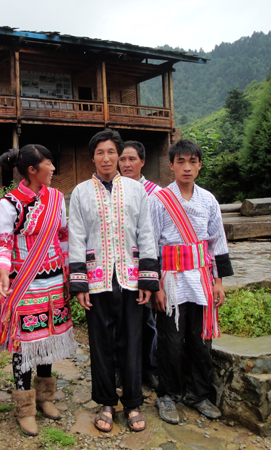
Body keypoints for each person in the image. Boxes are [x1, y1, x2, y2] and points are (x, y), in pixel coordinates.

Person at [68, 129, 159, 433]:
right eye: (100, 153)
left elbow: (146, 233)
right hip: (97, 280)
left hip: (131, 278)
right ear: (92, 158)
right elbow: (77, 237)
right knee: (100, 343)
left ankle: (133, 402)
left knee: (133, 340)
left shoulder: (136, 190)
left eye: (111, 153)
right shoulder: (81, 192)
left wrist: (148, 279)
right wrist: (79, 283)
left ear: (119, 157)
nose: (106, 158)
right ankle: (106, 402)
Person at [149, 139, 233, 425]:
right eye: (181, 162)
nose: (187, 167)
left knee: (201, 341)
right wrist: (156, 286)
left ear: (199, 166)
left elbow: (217, 241)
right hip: (171, 282)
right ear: (171, 165)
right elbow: (150, 244)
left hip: (202, 280)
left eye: (192, 162)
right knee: (170, 343)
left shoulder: (208, 200)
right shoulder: (159, 200)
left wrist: (218, 282)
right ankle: (168, 394)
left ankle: (198, 394)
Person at [0, 145, 76, 436]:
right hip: (24, 281)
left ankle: (45, 397)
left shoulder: (56, 198)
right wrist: (2, 271)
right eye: (48, 164)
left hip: (53, 280)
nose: (53, 169)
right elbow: (4, 244)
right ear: (32, 170)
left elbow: (63, 236)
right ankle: (25, 407)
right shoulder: (10, 203)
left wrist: (69, 273)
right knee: (26, 343)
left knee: (47, 339)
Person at [118, 140, 161, 390]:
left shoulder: (156, 194)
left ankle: (149, 368)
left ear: (142, 162)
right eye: (122, 159)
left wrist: (154, 273)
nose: (126, 164)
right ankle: (120, 370)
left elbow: (156, 236)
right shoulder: (113, 191)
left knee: (147, 320)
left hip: (145, 266)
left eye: (132, 159)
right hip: (119, 267)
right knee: (119, 321)